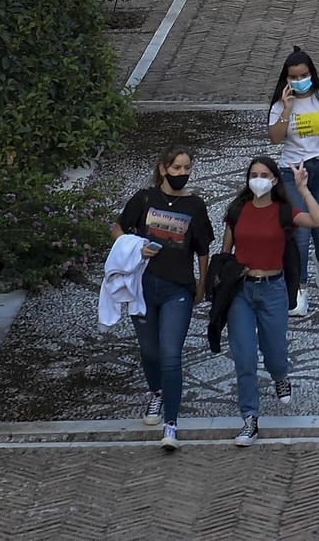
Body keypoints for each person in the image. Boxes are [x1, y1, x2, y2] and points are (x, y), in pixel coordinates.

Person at [112, 145, 214, 452]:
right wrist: (133, 246)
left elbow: (203, 248)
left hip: (177, 289)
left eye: (186, 168)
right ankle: (155, 392)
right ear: (163, 169)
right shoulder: (145, 199)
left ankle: (171, 422)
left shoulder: (195, 205)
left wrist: (201, 285)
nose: (182, 174)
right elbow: (117, 228)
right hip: (143, 286)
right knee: (149, 351)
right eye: (177, 168)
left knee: (171, 355)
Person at [221, 156, 319, 447]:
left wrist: (303, 190)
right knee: (244, 357)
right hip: (241, 291)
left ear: (274, 180)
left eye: (264, 174)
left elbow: (318, 221)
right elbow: (225, 252)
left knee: (275, 351)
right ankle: (249, 418)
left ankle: (280, 376)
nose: (258, 179)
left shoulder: (283, 212)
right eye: (253, 174)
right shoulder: (237, 211)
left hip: (273, 290)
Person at [267, 47, 319, 317]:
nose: (299, 80)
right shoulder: (279, 105)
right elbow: (276, 138)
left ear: (312, 74)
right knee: (300, 232)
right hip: (292, 171)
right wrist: (287, 109)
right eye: (293, 76)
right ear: (286, 78)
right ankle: (299, 289)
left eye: (304, 75)